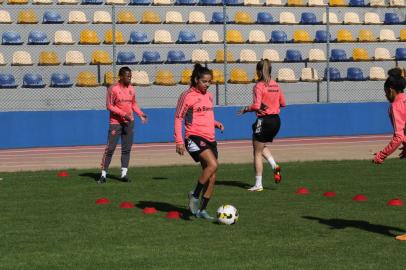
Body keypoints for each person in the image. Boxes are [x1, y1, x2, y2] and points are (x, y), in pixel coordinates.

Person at [174, 64, 224, 220]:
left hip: (210, 138)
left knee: (212, 177)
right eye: (204, 81)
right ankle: (194, 196)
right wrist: (179, 141)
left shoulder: (208, 96)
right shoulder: (187, 96)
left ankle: (201, 210)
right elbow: (179, 118)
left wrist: (215, 123)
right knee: (213, 165)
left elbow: (204, 114)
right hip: (194, 137)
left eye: (209, 82)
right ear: (196, 80)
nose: (207, 85)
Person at [238, 59, 286, 192]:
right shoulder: (276, 85)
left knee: (256, 152)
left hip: (264, 120)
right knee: (261, 145)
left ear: (259, 71)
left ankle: (258, 184)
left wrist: (246, 109)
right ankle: (274, 166)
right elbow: (283, 103)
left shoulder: (258, 86)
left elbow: (256, 105)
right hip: (276, 120)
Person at [372, 67, 406, 241]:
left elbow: (399, 136)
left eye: (386, 92)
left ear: (391, 90)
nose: (385, 96)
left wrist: (382, 155)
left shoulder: (395, 106)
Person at [99, 67, 148, 184]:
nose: (130, 78)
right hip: (115, 123)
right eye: (127, 76)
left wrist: (141, 114)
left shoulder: (131, 89)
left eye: (130, 76)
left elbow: (133, 104)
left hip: (129, 122)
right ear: (121, 76)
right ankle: (103, 174)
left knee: (126, 149)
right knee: (110, 149)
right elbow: (109, 106)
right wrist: (123, 114)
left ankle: (124, 174)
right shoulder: (113, 89)